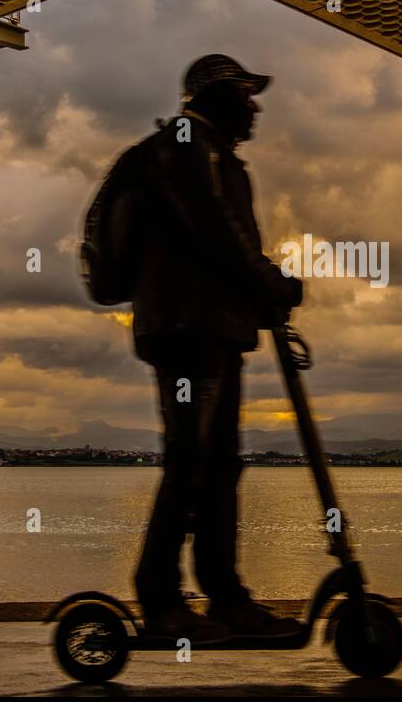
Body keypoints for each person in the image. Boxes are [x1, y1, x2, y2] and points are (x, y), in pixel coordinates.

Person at [126, 54, 304, 643]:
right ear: (216, 96)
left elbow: (222, 240)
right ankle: (161, 600)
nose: (255, 107)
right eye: (245, 94)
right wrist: (270, 282)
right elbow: (216, 232)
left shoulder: (209, 156)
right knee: (191, 463)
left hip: (211, 330)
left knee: (219, 466)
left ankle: (224, 596)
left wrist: (259, 292)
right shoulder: (184, 145)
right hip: (187, 331)